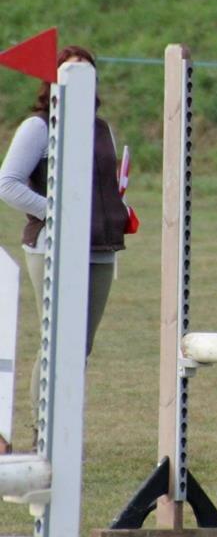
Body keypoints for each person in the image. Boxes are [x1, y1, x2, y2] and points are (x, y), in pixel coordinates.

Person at [0, 45, 134, 444]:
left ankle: (64, 426)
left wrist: (119, 208)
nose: (80, 78)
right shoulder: (38, 127)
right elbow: (8, 184)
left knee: (82, 345)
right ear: (53, 80)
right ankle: (45, 430)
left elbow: (102, 185)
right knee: (57, 339)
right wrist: (56, 211)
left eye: (87, 71)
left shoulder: (102, 128)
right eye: (71, 71)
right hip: (51, 246)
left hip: (100, 248)